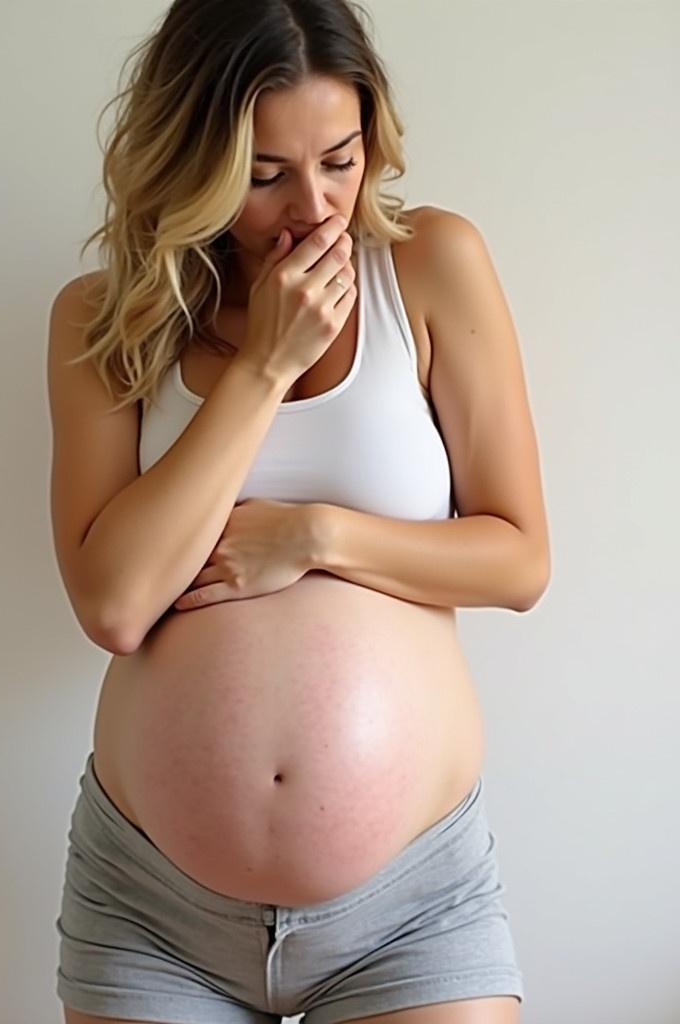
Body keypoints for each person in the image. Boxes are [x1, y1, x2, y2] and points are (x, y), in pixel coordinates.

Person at [47, 1, 550, 1022]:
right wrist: (264, 366)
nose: (315, 208)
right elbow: (112, 603)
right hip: (151, 909)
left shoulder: (429, 265)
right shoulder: (104, 321)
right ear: (191, 158)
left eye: (341, 158)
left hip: (410, 906)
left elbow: (518, 558)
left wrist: (315, 537)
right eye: (267, 173)